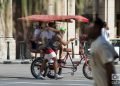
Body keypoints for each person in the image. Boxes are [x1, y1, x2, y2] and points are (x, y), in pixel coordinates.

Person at [87, 18, 118, 86]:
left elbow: (110, 68)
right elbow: (115, 55)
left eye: (90, 28)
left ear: (97, 28)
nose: (88, 30)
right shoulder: (94, 43)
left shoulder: (101, 44)